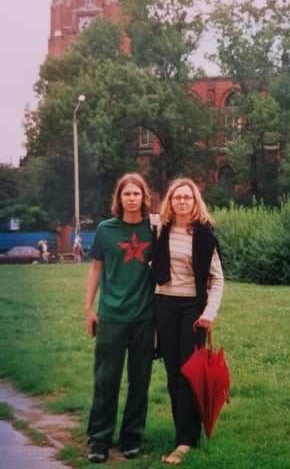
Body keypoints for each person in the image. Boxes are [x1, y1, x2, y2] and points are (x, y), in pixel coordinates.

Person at [151, 177, 224, 465]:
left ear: (195, 202)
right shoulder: (160, 229)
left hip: (192, 308)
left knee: (188, 374)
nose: (182, 201)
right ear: (170, 201)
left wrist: (209, 313)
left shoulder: (204, 235)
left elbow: (217, 278)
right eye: (177, 197)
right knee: (172, 374)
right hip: (164, 304)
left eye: (187, 197)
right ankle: (182, 432)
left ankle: (185, 441)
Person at [84, 172, 156, 464]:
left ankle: (131, 437)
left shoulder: (154, 228)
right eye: (126, 193)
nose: (131, 198)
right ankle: (99, 439)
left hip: (144, 317)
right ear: (119, 198)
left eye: (136, 193)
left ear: (143, 197)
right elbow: (96, 270)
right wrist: (88, 308)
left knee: (140, 381)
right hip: (111, 317)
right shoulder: (105, 229)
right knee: (106, 380)